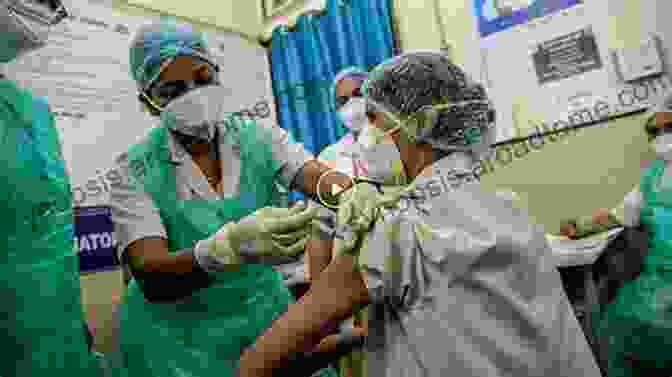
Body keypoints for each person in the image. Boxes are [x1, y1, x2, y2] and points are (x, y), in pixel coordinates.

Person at [236, 51, 602, 377]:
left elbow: (258, 363)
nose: (365, 133)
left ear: (420, 124)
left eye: (373, 119)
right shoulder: (511, 206)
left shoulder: (393, 231)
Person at [111, 20, 352, 377]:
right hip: (175, 340)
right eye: (172, 89)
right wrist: (229, 248)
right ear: (148, 103)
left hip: (259, 311)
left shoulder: (260, 139)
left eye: (203, 78)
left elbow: (319, 181)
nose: (193, 93)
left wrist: (356, 196)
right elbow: (152, 274)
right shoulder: (134, 169)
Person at [0, 0, 101, 376]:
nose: (50, 10)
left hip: (62, 348)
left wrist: (78, 335)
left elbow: (48, 240)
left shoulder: (33, 112)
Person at [559, 92, 672, 376]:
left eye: (669, 127)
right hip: (656, 283)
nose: (661, 137)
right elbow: (621, 213)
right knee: (617, 325)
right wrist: (581, 225)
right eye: (654, 131)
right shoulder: (654, 175)